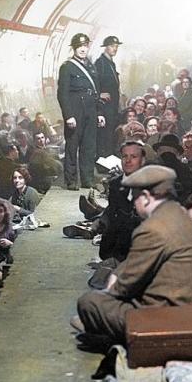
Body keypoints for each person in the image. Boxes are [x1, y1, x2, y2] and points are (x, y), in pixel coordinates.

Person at [75, 166, 192, 344]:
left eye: (134, 198)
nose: (134, 205)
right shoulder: (186, 220)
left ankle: (110, 331)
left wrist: (113, 284)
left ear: (145, 197)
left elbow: (124, 287)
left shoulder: (152, 228)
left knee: (90, 302)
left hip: (173, 322)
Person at [57, 33, 104, 189]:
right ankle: (71, 181)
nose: (83, 49)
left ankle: (87, 179)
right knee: (72, 146)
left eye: (85, 46)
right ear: (74, 48)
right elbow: (62, 94)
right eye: (79, 46)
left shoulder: (91, 66)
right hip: (75, 111)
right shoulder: (67, 67)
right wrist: (68, 115)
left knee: (89, 146)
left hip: (91, 110)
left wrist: (99, 112)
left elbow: (97, 90)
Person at [91, 141, 146, 261]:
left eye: (133, 157)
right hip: (115, 246)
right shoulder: (115, 183)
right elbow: (112, 211)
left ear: (142, 161)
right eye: (125, 156)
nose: (128, 160)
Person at [94, 35, 123, 157]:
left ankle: (110, 162)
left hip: (112, 108)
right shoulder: (100, 63)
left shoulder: (111, 63)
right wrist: (99, 96)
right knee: (104, 137)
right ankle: (103, 163)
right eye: (112, 46)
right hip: (104, 108)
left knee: (110, 136)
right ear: (105, 47)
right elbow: (93, 83)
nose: (115, 49)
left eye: (116, 46)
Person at [151, 133, 192, 202]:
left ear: (159, 151)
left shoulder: (149, 167)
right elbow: (191, 194)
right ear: (177, 153)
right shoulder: (185, 169)